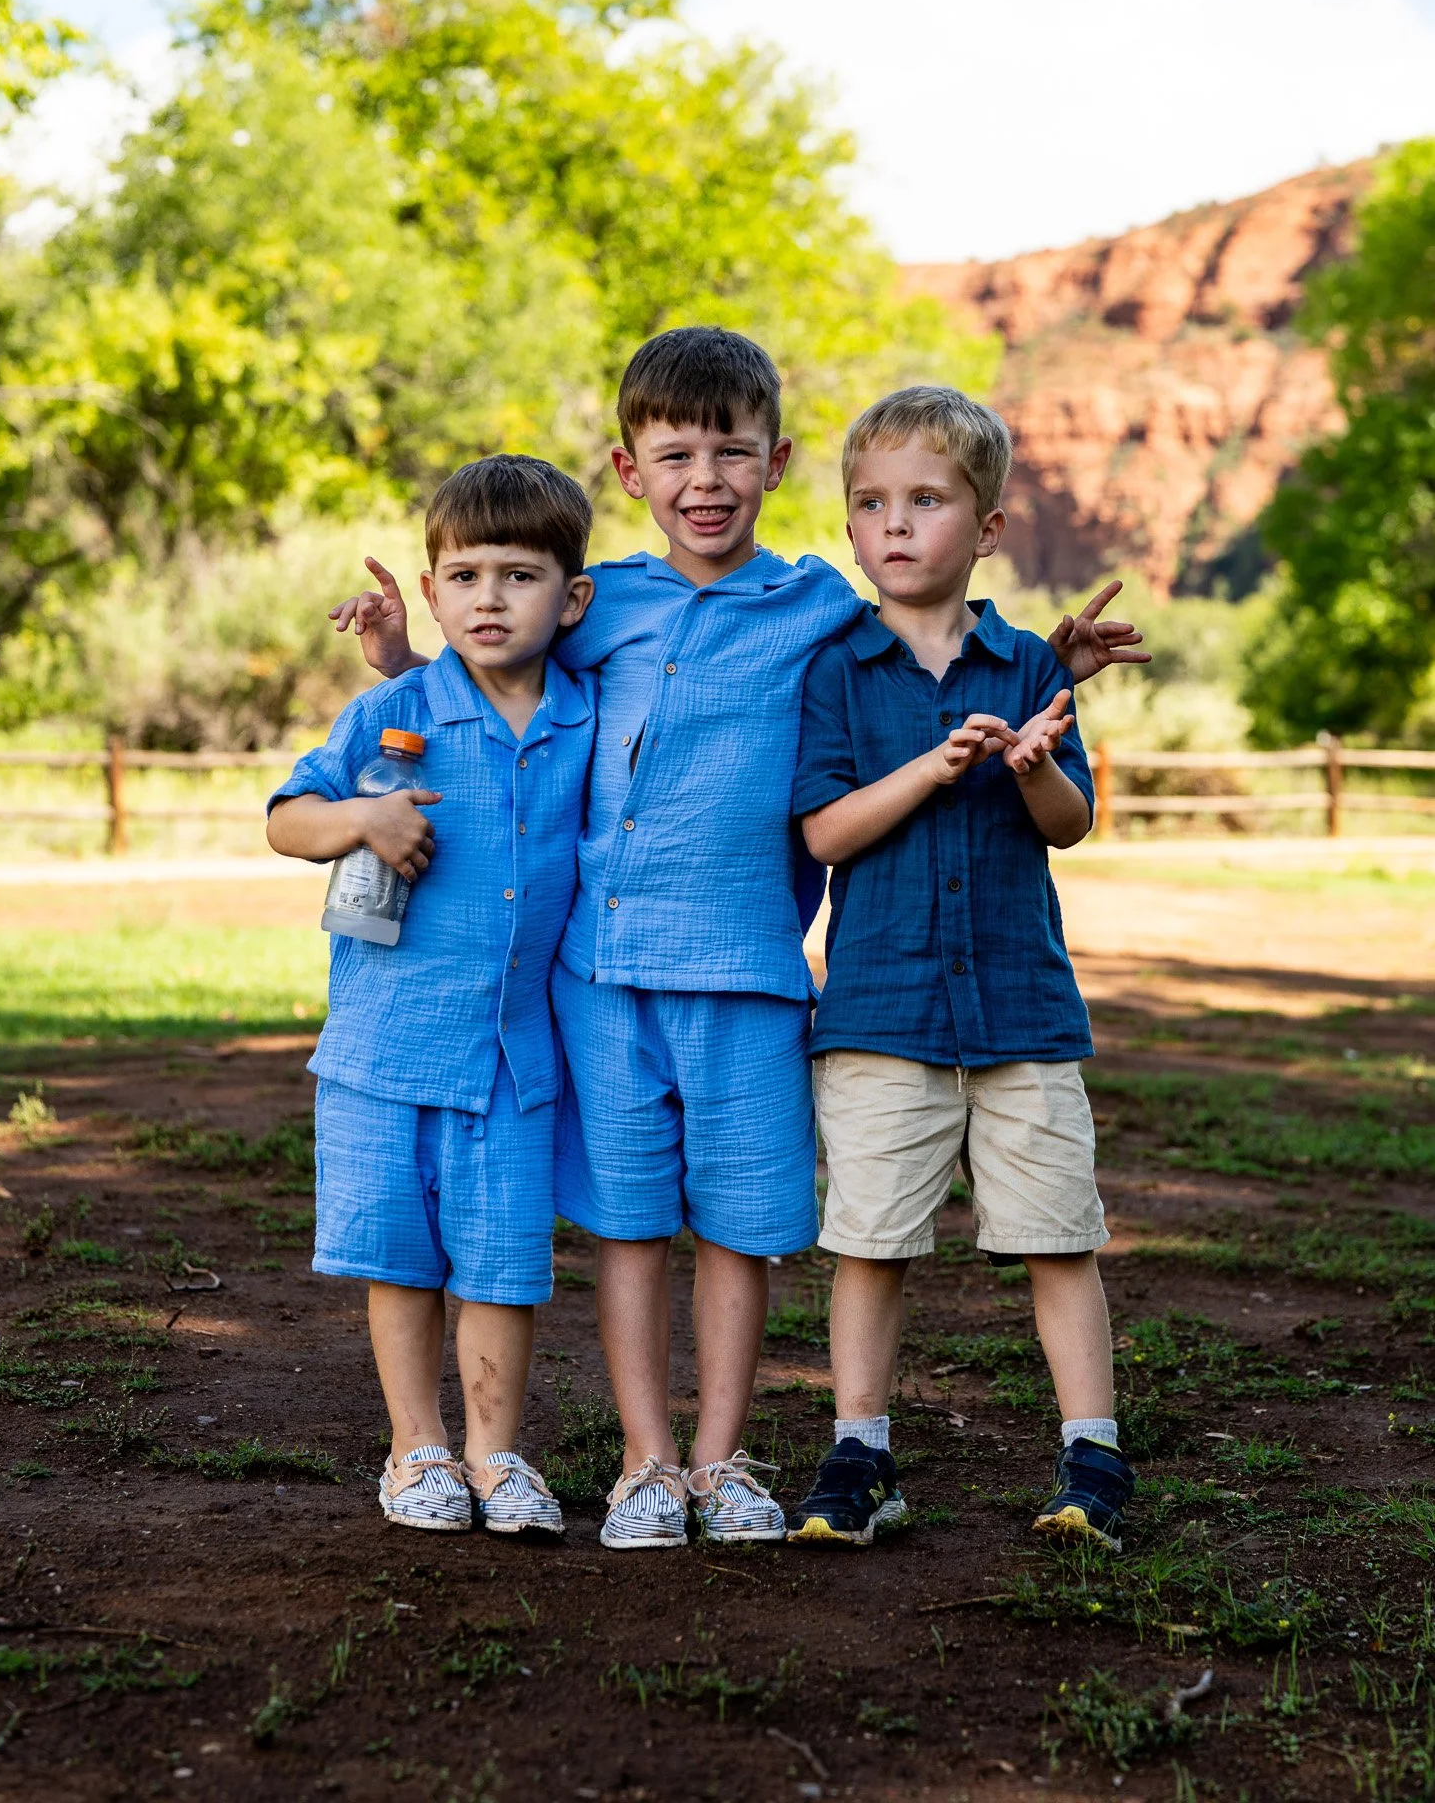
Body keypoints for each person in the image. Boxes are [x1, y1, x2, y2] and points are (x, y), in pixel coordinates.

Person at [335, 328, 1147, 1553]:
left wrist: (1046, 659)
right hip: (601, 975)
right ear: (627, 468)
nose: (703, 477)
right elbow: (488, 668)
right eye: (674, 454)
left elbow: (922, 609)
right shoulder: (593, 600)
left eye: (731, 451)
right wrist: (400, 662)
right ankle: (645, 1463)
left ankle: (721, 1456)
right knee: (626, 1223)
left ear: (773, 462)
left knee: (738, 1224)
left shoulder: (817, 601)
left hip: (753, 972)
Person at [785, 385, 1137, 1552]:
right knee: (869, 1239)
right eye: (868, 502)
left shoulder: (1028, 660)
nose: (892, 523)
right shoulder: (836, 667)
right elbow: (825, 832)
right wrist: (933, 769)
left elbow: (1067, 820)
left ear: (985, 526)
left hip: (1022, 1011)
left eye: (925, 500)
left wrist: (1033, 754)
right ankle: (860, 1454)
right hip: (879, 1009)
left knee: (1055, 1232)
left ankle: (1092, 1452)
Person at [267, 455, 596, 1535]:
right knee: (396, 1256)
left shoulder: (585, 715)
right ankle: (416, 1447)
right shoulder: (392, 709)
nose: (488, 599)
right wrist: (361, 820)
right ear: (430, 585)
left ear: (570, 597)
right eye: (462, 576)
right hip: (379, 1051)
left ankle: (495, 1451)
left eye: (517, 575)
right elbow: (285, 820)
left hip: (510, 1055)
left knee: (502, 1262)